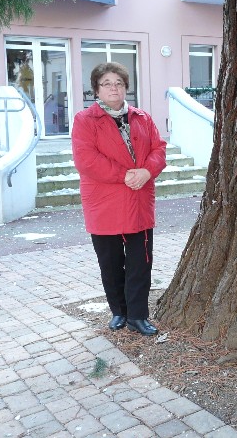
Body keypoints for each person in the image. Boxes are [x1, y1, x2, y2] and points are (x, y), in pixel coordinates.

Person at [72, 62, 167, 336]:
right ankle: (119, 312)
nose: (113, 88)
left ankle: (138, 315)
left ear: (126, 87)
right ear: (96, 90)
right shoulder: (85, 120)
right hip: (104, 202)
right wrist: (126, 175)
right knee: (111, 263)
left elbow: (158, 149)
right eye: (107, 83)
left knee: (140, 262)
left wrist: (147, 171)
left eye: (119, 83)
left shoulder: (142, 118)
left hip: (138, 200)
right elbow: (86, 159)